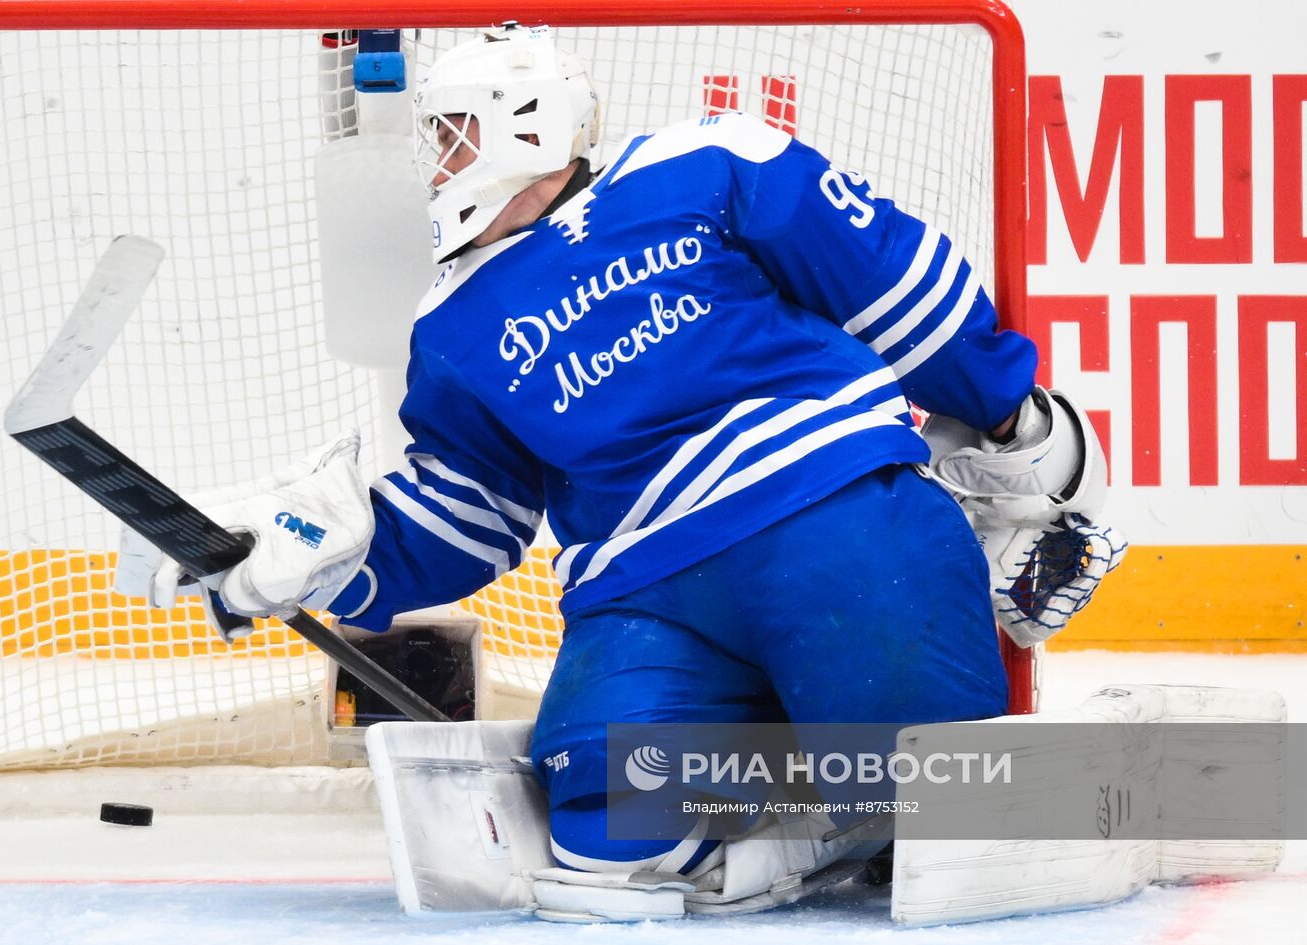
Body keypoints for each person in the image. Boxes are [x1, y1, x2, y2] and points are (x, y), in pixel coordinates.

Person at [141, 23, 1122, 920]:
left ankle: (897, 737)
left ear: (524, 128)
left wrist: (1012, 417)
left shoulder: (697, 163)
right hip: (643, 592)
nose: (433, 163)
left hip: (826, 517)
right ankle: (818, 819)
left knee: (930, 801)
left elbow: (889, 274)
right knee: (603, 834)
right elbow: (467, 516)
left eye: (450, 134)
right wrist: (326, 555)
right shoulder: (448, 325)